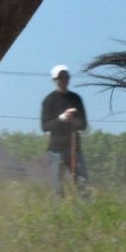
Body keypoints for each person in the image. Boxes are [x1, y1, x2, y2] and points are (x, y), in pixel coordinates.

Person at [41, 64, 89, 193]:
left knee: (82, 181)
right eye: (60, 77)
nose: (63, 80)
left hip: (74, 147)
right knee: (57, 185)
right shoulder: (49, 100)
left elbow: (84, 125)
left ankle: (83, 209)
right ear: (54, 80)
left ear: (69, 78)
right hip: (56, 148)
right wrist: (61, 119)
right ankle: (58, 211)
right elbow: (45, 126)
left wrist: (73, 120)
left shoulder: (76, 99)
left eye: (66, 77)